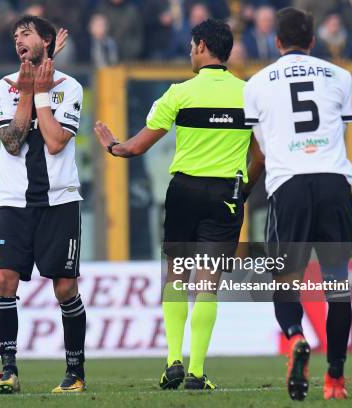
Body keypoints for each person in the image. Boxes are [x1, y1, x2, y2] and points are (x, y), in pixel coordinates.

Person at [94, 19, 263, 391]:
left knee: (176, 276)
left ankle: (172, 360)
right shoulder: (249, 94)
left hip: (184, 191)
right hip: (226, 195)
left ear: (202, 46)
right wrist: (243, 191)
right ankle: (197, 372)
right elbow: (261, 158)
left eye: (191, 46)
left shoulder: (178, 94)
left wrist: (112, 145)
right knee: (208, 283)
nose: (189, 52)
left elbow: (135, 148)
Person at [243, 7, 352, 401]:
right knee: (338, 284)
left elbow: (258, 149)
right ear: (313, 41)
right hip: (333, 183)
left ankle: (294, 338)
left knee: (284, 283)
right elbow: (336, 127)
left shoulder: (255, 84)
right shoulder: (341, 77)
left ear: (276, 42)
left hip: (288, 186)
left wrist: (245, 187)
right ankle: (336, 381)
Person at [0, 15, 86, 394]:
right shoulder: (3, 88)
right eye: (15, 35)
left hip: (59, 201)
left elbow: (56, 141)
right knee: (2, 281)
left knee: (64, 289)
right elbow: (12, 142)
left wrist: (42, 92)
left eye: (26, 33)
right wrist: (27, 91)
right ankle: (9, 370)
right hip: (14, 203)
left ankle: (75, 372)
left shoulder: (70, 87)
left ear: (46, 41)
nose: (18, 39)